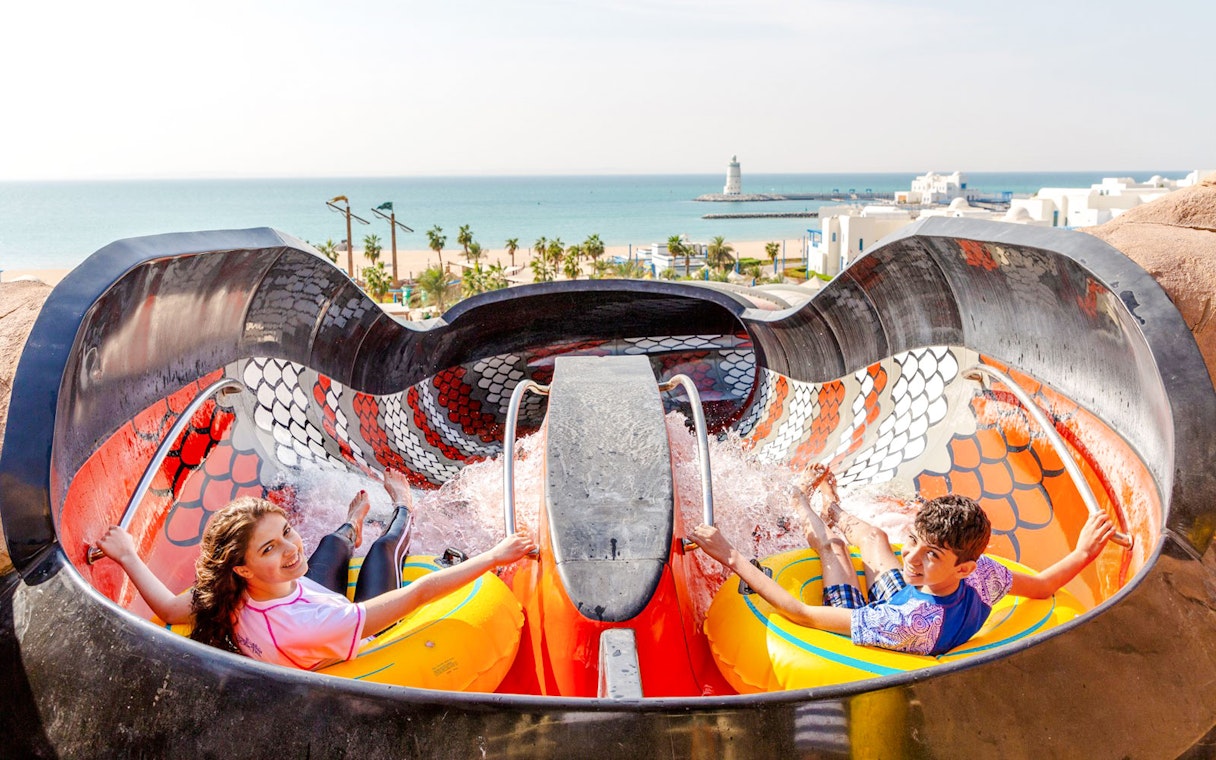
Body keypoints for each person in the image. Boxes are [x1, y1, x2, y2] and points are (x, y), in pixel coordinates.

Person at [96, 468, 536, 670]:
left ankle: (350, 524)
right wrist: (495, 556)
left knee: (327, 544)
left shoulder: (231, 594)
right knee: (384, 551)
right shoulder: (317, 624)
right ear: (244, 568)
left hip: (297, 598)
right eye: (270, 547)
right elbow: (420, 595)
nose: (290, 547)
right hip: (333, 629)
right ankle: (404, 504)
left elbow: (171, 610)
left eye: (287, 530)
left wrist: (128, 555)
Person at [689, 464, 1115, 656]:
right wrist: (1082, 552)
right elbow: (1040, 586)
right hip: (919, 598)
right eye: (914, 540)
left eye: (930, 553)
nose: (910, 558)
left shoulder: (907, 622)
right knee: (875, 537)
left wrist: (730, 555)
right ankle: (833, 506)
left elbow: (800, 612)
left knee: (836, 549)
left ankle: (800, 502)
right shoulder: (980, 575)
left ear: (963, 567)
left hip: (888, 617)